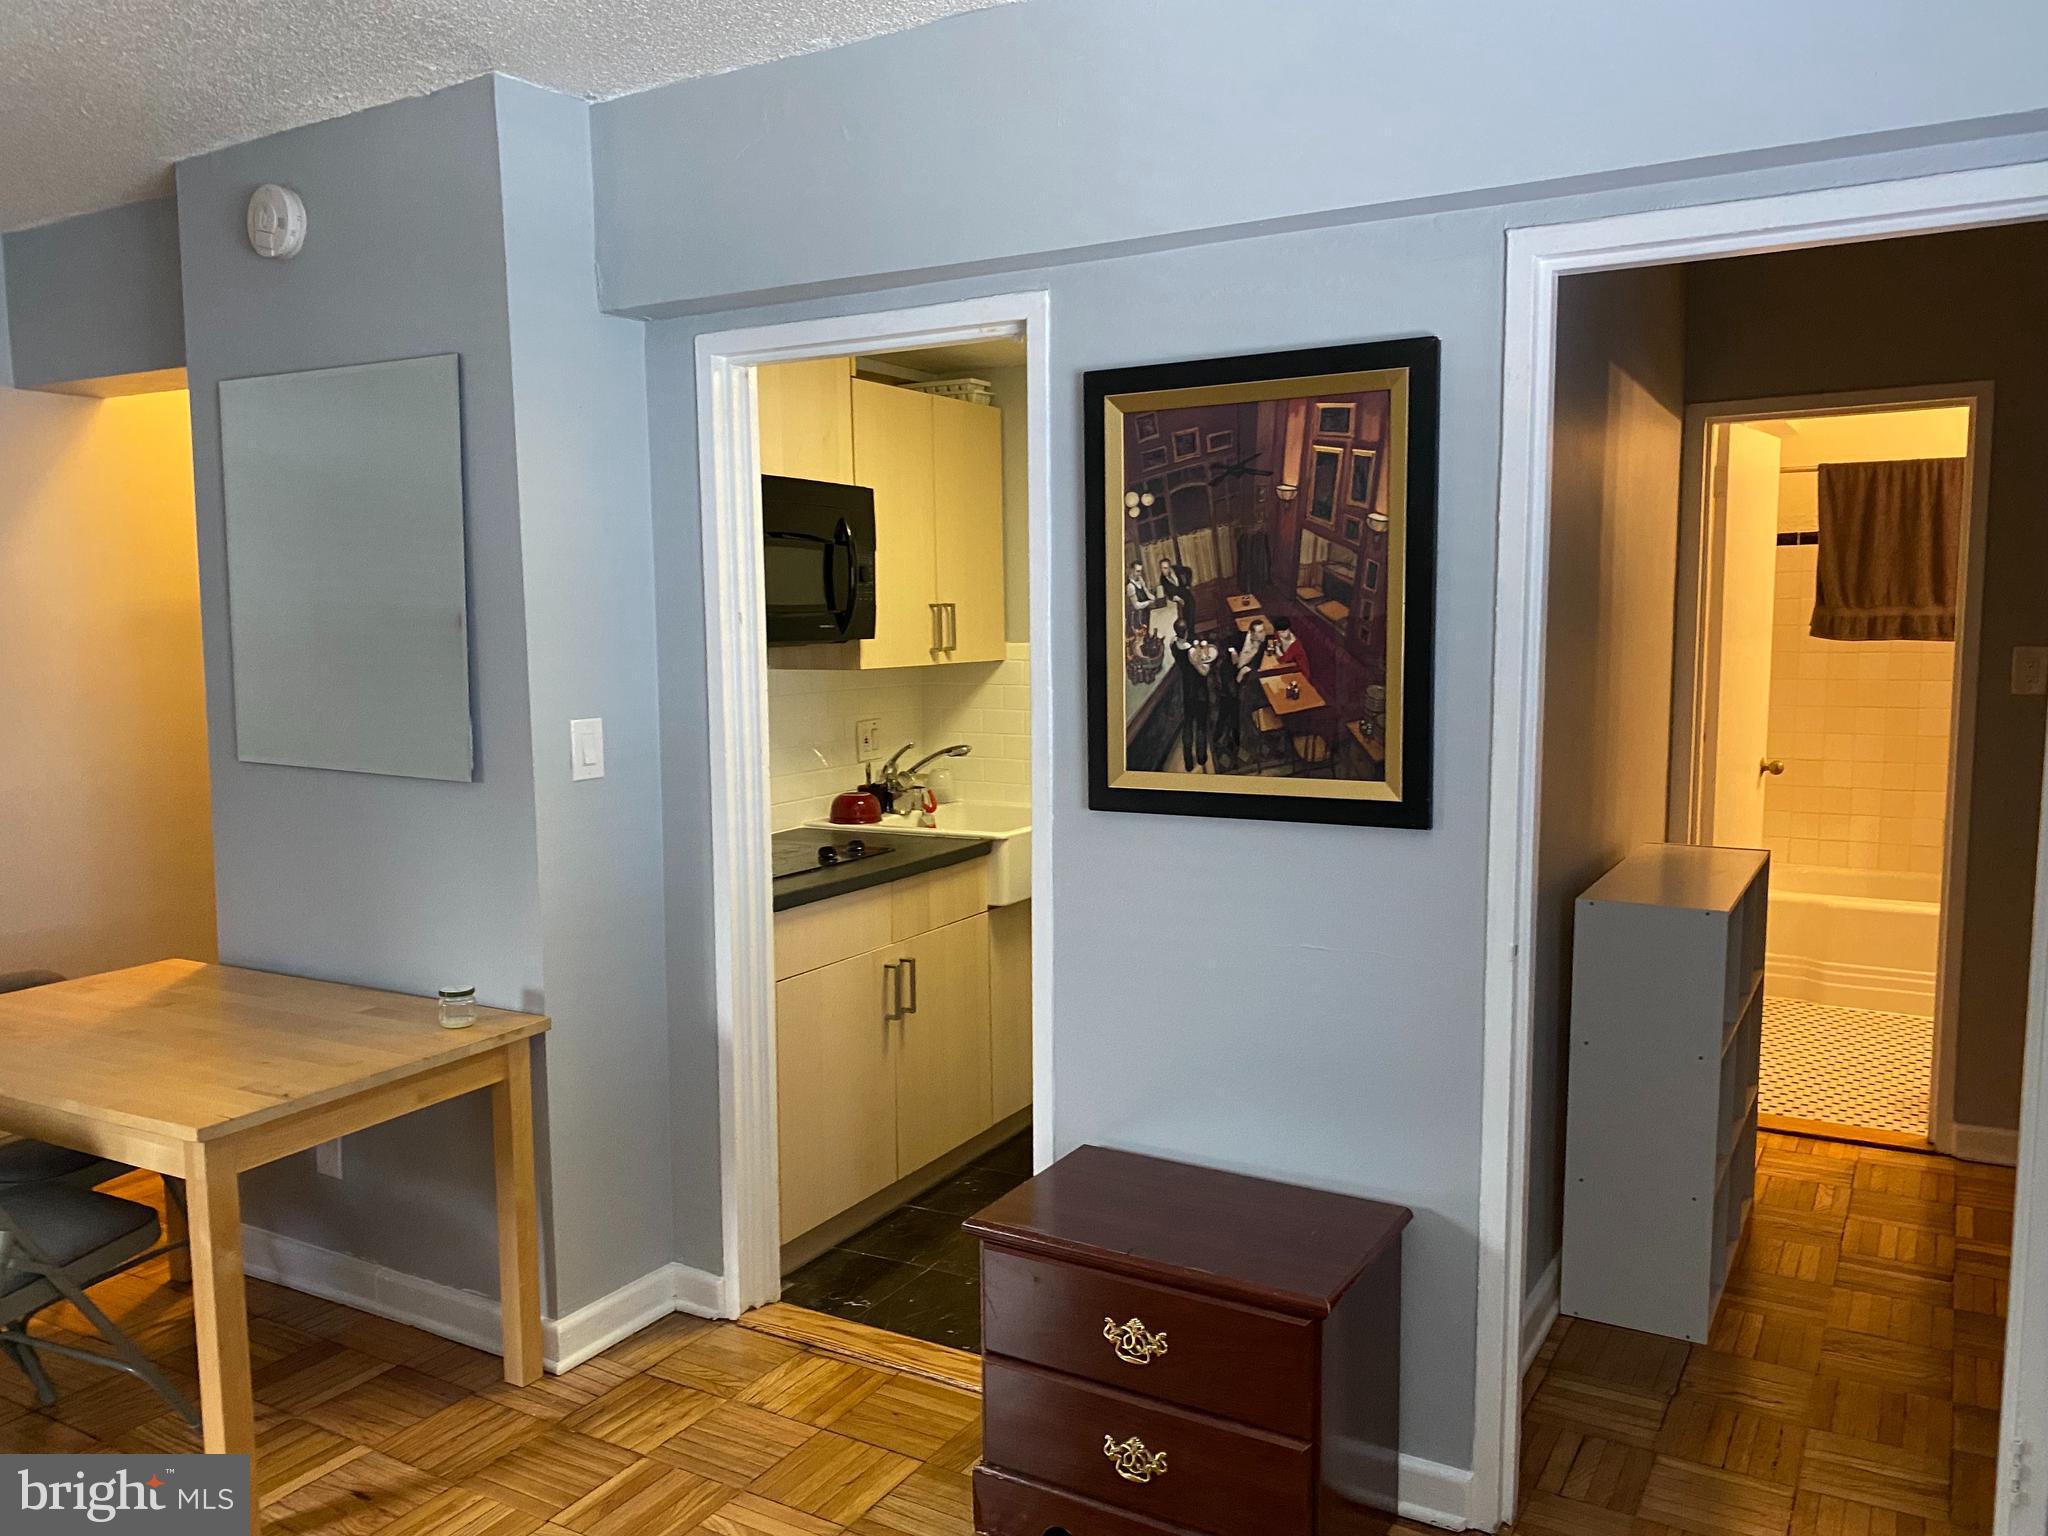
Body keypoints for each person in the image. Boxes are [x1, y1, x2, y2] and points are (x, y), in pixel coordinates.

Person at [1213, 616, 1268, 769]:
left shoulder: (1263, 644)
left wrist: (1245, 670)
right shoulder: (1241, 636)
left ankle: (1223, 731)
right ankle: (1233, 736)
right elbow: (1225, 642)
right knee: (1233, 700)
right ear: (1251, 633)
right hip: (1228, 671)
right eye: (1260, 631)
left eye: (1263, 630)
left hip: (1241, 675)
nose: (1263, 634)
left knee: (1230, 702)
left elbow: (1257, 664)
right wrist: (1232, 652)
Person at [1168, 621, 1216, 772]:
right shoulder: (1191, 652)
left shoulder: (1172, 643)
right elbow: (1204, 671)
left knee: (1188, 723)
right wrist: (1204, 660)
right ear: (1187, 631)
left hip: (1186, 687)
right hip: (1199, 689)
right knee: (1201, 725)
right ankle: (1201, 757)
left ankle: (1188, 761)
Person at [1157, 556, 1198, 631]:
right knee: (1185, 621)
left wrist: (1188, 584)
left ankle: (1192, 635)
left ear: (1169, 567)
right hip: (1180, 601)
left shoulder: (1177, 569)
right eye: (1162, 568)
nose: (1163, 570)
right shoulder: (1163, 579)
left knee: (1191, 618)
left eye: (1165, 568)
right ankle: (1188, 636)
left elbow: (1188, 570)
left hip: (1188, 596)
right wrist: (1179, 599)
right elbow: (1169, 593)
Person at [1269, 616, 1312, 685]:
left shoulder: (1295, 645)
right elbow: (1275, 639)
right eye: (1280, 632)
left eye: (1285, 631)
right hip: (1288, 667)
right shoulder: (1278, 634)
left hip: (1300, 672)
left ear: (1289, 629)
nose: (1283, 634)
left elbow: (1283, 660)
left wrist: (1277, 650)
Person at [1124, 559, 1157, 632]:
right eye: (1137, 571)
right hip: (1137, 618)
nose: (1139, 573)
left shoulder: (1140, 579)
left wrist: (1155, 598)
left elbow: (1146, 592)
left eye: (1140, 571)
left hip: (1145, 613)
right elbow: (1136, 605)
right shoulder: (1130, 586)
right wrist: (1149, 602)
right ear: (1132, 570)